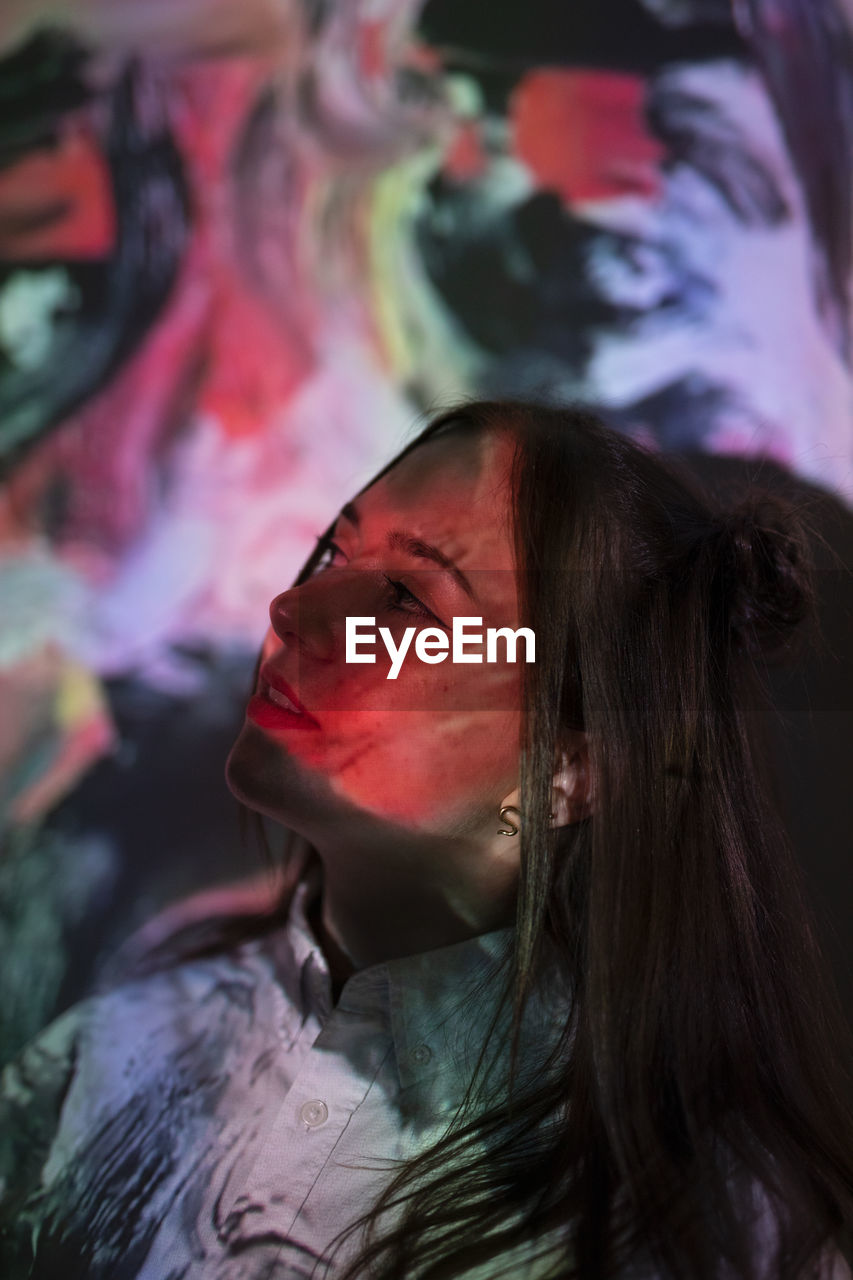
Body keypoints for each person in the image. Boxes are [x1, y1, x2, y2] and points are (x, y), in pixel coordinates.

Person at [1, 399, 853, 1279]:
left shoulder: (710, 1236)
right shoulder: (108, 1057)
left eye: (404, 602)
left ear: (572, 769)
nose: (296, 605)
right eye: (335, 550)